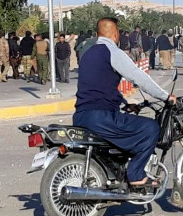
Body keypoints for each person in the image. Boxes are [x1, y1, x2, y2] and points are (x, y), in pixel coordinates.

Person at [73, 17, 175, 190]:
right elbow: (138, 76)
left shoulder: (87, 54)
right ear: (115, 34)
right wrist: (166, 96)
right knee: (150, 128)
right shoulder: (112, 51)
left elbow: (100, 86)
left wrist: (125, 103)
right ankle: (136, 175)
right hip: (101, 117)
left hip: (82, 116)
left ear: (98, 34)